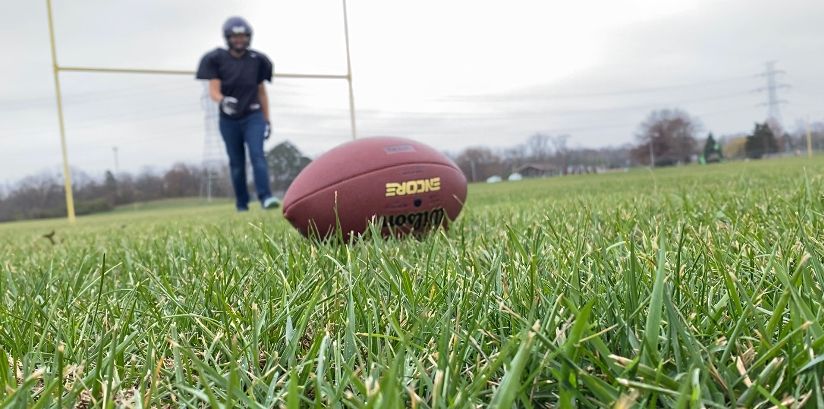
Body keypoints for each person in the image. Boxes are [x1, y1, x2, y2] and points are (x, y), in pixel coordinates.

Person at [196, 16, 280, 211]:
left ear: (248, 37)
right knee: (236, 163)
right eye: (235, 36)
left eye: (242, 36)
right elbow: (214, 90)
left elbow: (261, 92)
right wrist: (223, 101)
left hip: (253, 115)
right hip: (229, 119)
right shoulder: (217, 59)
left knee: (258, 155)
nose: (239, 40)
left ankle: (266, 198)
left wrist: (267, 119)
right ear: (228, 38)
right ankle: (242, 204)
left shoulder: (257, 60)